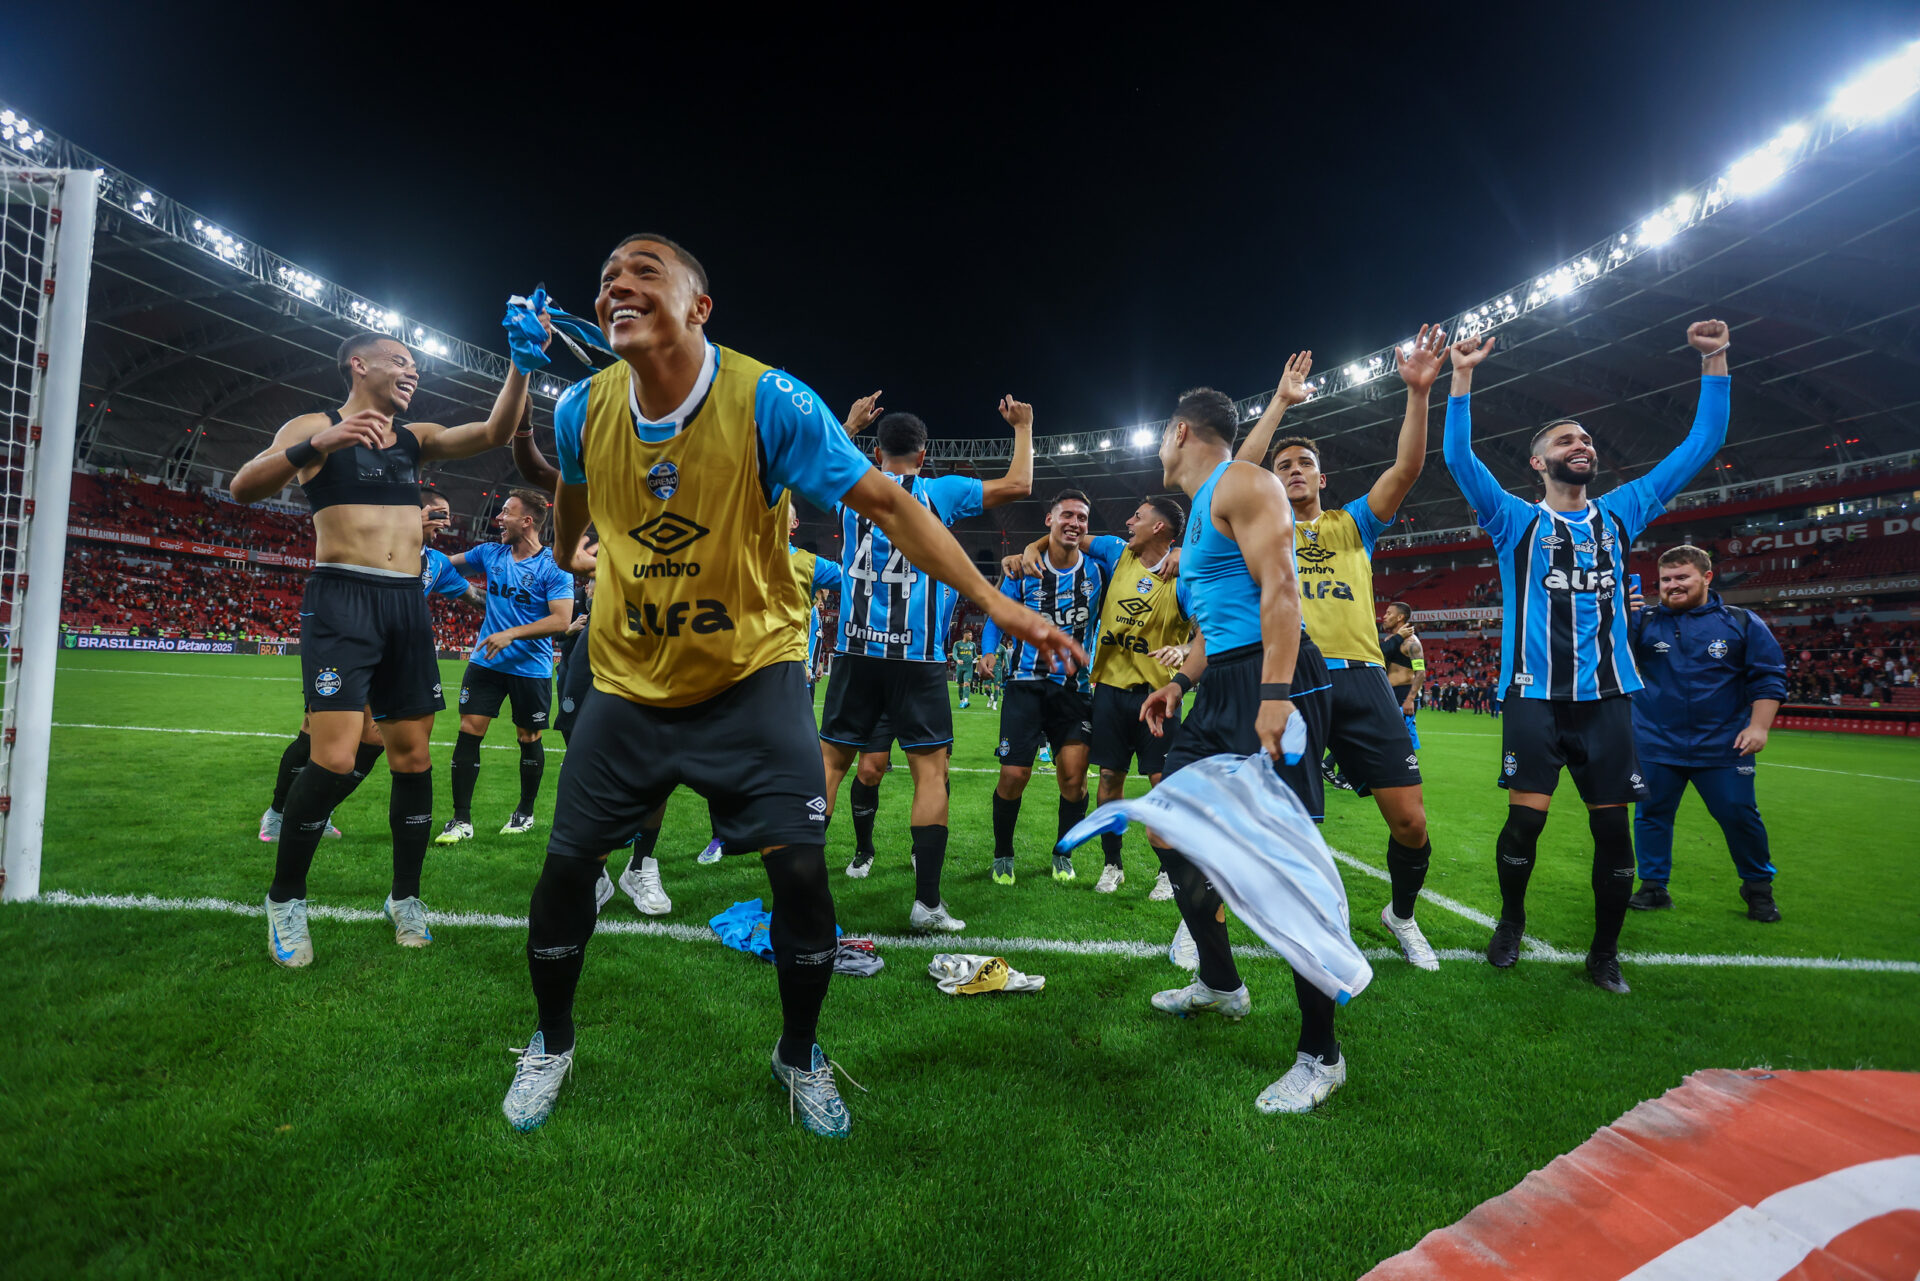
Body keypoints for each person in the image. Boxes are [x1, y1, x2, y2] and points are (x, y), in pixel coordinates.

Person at [501, 233, 1079, 1137]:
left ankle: (800, 1053)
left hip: (751, 677)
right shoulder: (581, 407)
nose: (618, 282)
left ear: (699, 307)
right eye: (608, 275)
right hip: (626, 676)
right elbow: (573, 495)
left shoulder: (769, 400)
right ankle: (551, 1040)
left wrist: (994, 604)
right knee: (568, 868)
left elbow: (889, 505)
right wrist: (579, 547)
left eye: (645, 270)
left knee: (802, 878)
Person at [1442, 320, 1731, 994]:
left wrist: (1714, 360)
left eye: (1588, 439)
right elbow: (1458, 458)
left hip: (1606, 699)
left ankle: (1604, 953)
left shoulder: (1623, 511)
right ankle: (1511, 918)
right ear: (1539, 463)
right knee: (1526, 819)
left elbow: (1702, 443)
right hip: (1534, 695)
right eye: (1565, 440)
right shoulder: (1515, 519)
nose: (1583, 444)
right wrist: (1461, 378)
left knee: (1614, 836)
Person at [229, 330, 531, 967]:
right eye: (401, 361)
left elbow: (496, 432)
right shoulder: (315, 424)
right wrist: (320, 444)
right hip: (342, 600)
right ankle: (285, 899)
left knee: (414, 759)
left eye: (415, 365)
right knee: (334, 758)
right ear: (357, 365)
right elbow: (243, 486)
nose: (412, 371)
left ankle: (405, 897)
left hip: (404, 606)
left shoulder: (415, 439)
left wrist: (521, 366)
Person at [1136, 386, 1340, 1114]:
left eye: (1162, 435)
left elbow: (1281, 590)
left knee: (1287, 865)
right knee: (1166, 825)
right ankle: (1222, 984)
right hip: (1221, 683)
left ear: (1179, 428)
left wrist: (1276, 696)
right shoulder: (1199, 516)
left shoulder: (1247, 483)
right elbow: (1217, 619)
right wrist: (1181, 682)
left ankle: (1322, 1054)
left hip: (1272, 678)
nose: (1159, 448)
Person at [1233, 330, 1447, 971]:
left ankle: (1400, 915)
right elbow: (1236, 474)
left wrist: (1419, 392)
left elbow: (1406, 469)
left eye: (1303, 465)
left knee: (1411, 823)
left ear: (1321, 478)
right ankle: (1214, 915)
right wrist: (1279, 404)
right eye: (1283, 466)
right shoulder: (1258, 527)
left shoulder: (1352, 523)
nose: (1292, 472)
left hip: (1361, 680)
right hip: (1288, 681)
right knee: (1271, 819)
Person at [818, 399, 1033, 930]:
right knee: (929, 774)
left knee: (828, 768)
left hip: (854, 651)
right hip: (917, 659)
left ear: (874, 450)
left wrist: (848, 424)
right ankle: (927, 905)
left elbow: (820, 456)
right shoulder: (940, 491)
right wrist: (1024, 427)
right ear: (924, 453)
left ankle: (799, 894)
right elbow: (1019, 485)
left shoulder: (853, 485)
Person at [258, 488, 486, 843]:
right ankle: (276, 813)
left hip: (391, 656)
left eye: (448, 514)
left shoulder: (438, 563)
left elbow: (476, 598)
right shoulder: (371, 540)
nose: (445, 522)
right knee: (315, 733)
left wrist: (529, 608)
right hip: (347, 645)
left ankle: (321, 810)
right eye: (439, 513)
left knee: (375, 738)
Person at [1004, 495, 1190, 896]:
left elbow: (1209, 627)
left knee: (1162, 784)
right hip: (1107, 691)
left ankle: (1166, 871)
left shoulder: (1185, 574)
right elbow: (1066, 538)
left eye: (1137, 517)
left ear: (1159, 528)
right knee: (1108, 779)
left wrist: (1186, 650)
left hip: (1158, 696)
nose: (1128, 521)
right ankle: (1113, 864)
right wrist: (1031, 547)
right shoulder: (1115, 551)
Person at [1625, 545, 1786, 921]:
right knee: (1651, 815)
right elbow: (1604, 653)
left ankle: (1758, 887)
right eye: (1666, 580)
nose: (1672, 586)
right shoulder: (1643, 622)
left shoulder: (1741, 621)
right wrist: (1616, 614)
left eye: (1682, 577)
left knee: (1738, 815)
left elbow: (1769, 676)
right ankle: (1653, 887)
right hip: (1655, 742)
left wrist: (1759, 726)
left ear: (1706, 577)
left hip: (1723, 744)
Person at [979, 490, 1107, 884]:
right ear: (1049, 520)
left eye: (1082, 517)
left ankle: (1062, 852)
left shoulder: (1099, 571)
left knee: (1073, 779)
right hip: (1025, 685)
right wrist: (988, 652)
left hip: (1075, 690)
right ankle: (1003, 853)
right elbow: (997, 617)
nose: (1075, 522)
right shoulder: (1023, 570)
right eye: (1067, 514)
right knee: (1014, 775)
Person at [434, 489, 575, 843]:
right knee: (469, 728)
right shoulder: (489, 553)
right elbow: (441, 563)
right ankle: (461, 820)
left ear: (527, 521)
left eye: (506, 512)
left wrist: (512, 633)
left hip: (530, 668)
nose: (498, 518)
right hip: (487, 662)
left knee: (528, 736)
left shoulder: (553, 566)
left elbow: (561, 620)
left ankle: (524, 813)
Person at [1379, 601, 1424, 748]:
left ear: (1400, 617)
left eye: (1388, 613)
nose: (1384, 617)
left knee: (1402, 745)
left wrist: (1410, 699)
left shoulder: (1411, 643)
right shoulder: (1388, 641)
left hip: (1403, 696)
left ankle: (1410, 771)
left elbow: (1420, 672)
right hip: (1387, 694)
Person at [953, 628, 978, 709]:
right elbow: (954, 654)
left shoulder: (972, 645)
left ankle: (966, 701)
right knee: (960, 685)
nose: (972, 637)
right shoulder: (957, 644)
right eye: (970, 635)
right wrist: (957, 660)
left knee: (966, 684)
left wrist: (976, 659)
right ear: (965, 635)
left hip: (969, 668)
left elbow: (975, 655)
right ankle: (961, 701)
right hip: (960, 668)